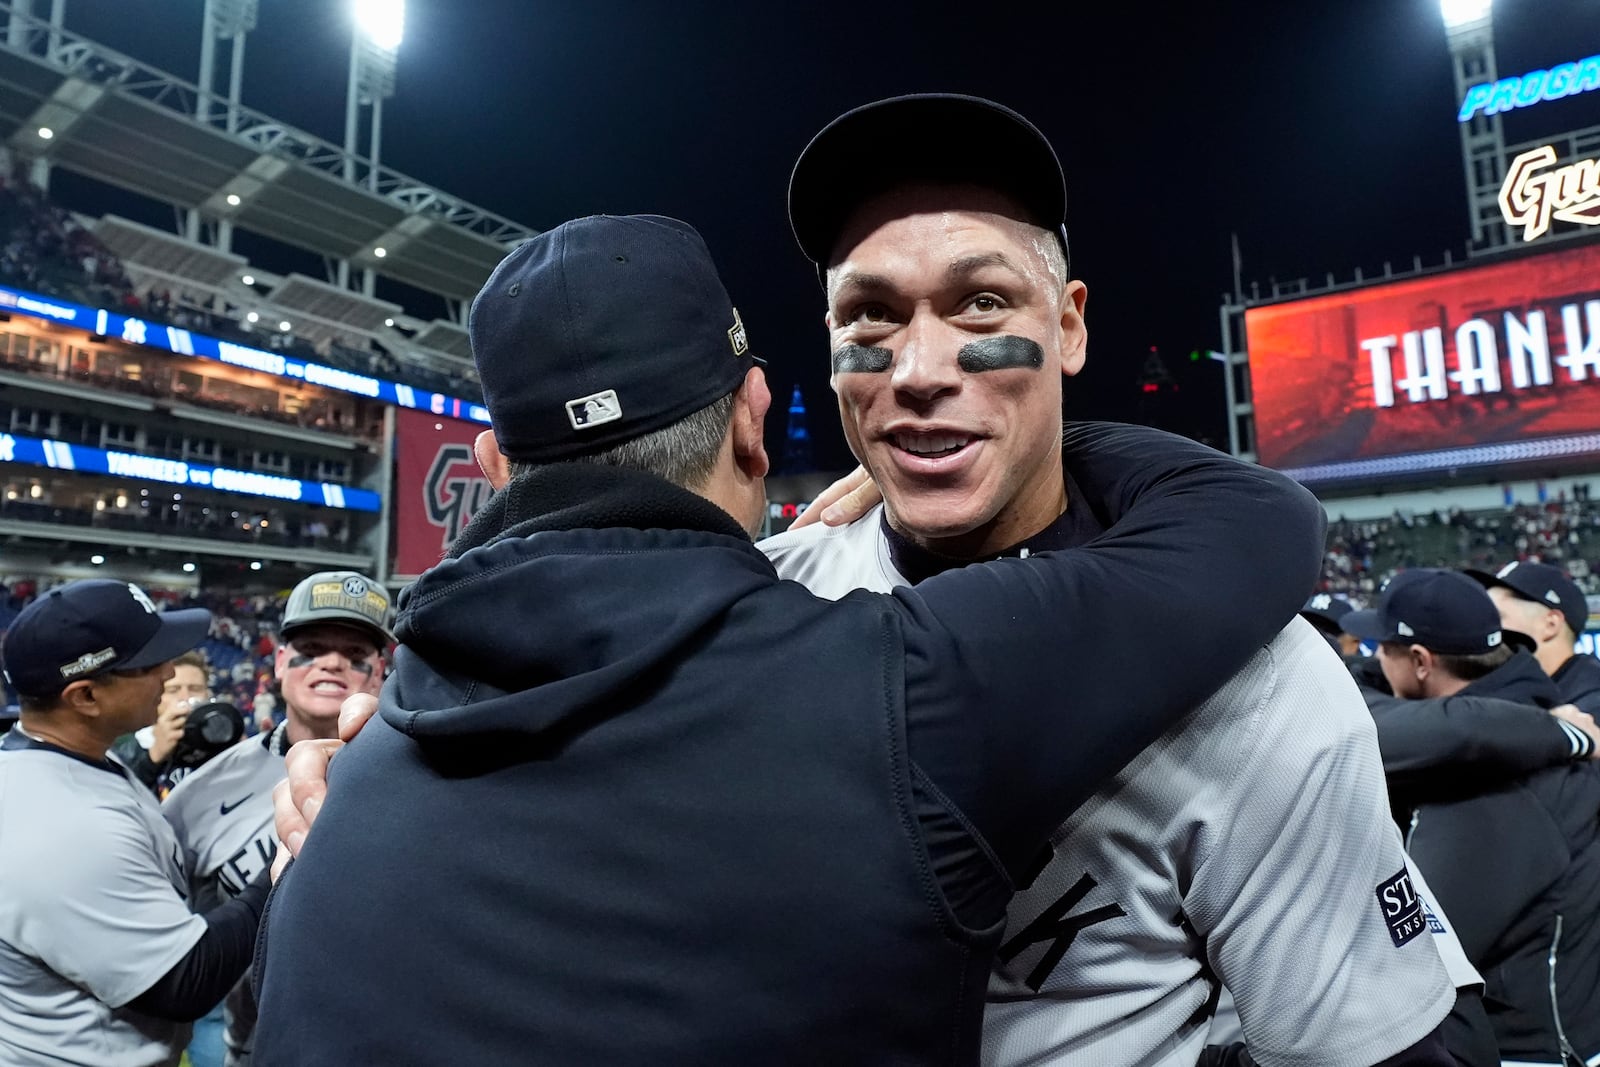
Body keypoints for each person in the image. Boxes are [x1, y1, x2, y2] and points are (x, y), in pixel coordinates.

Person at [275, 94, 1462, 1067]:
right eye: (870, 319)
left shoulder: (1258, 679)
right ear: (790, 384)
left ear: (1071, 325)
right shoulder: (763, 600)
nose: (921, 369)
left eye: (983, 303)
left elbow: (1360, 1045)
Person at [0, 580, 268, 1067]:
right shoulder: (62, 826)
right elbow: (184, 980)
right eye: (147, 665)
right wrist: (287, 862)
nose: (169, 672)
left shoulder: (68, 758)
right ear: (84, 696)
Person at [1344, 569, 1600, 1064]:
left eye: (1384, 647)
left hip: (1523, 1052)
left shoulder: (1494, 779)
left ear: (1421, 661)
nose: (1375, 658)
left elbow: (1421, 956)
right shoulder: (1524, 722)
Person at [163, 570, 390, 1067]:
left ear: (380, 672)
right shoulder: (203, 790)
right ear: (281, 660)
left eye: (356, 655)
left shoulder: (418, 776)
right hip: (242, 1044)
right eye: (312, 646)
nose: (333, 663)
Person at [1468, 561, 1600, 713]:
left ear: (1551, 624)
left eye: (1497, 617)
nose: (1485, 629)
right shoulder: (1518, 690)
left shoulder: (1592, 706)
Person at [111, 649, 212, 795]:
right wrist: (153, 757)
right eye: (173, 690)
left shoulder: (224, 737)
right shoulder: (128, 746)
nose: (185, 697)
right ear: (157, 694)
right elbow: (119, 799)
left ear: (207, 694)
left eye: (195, 689)